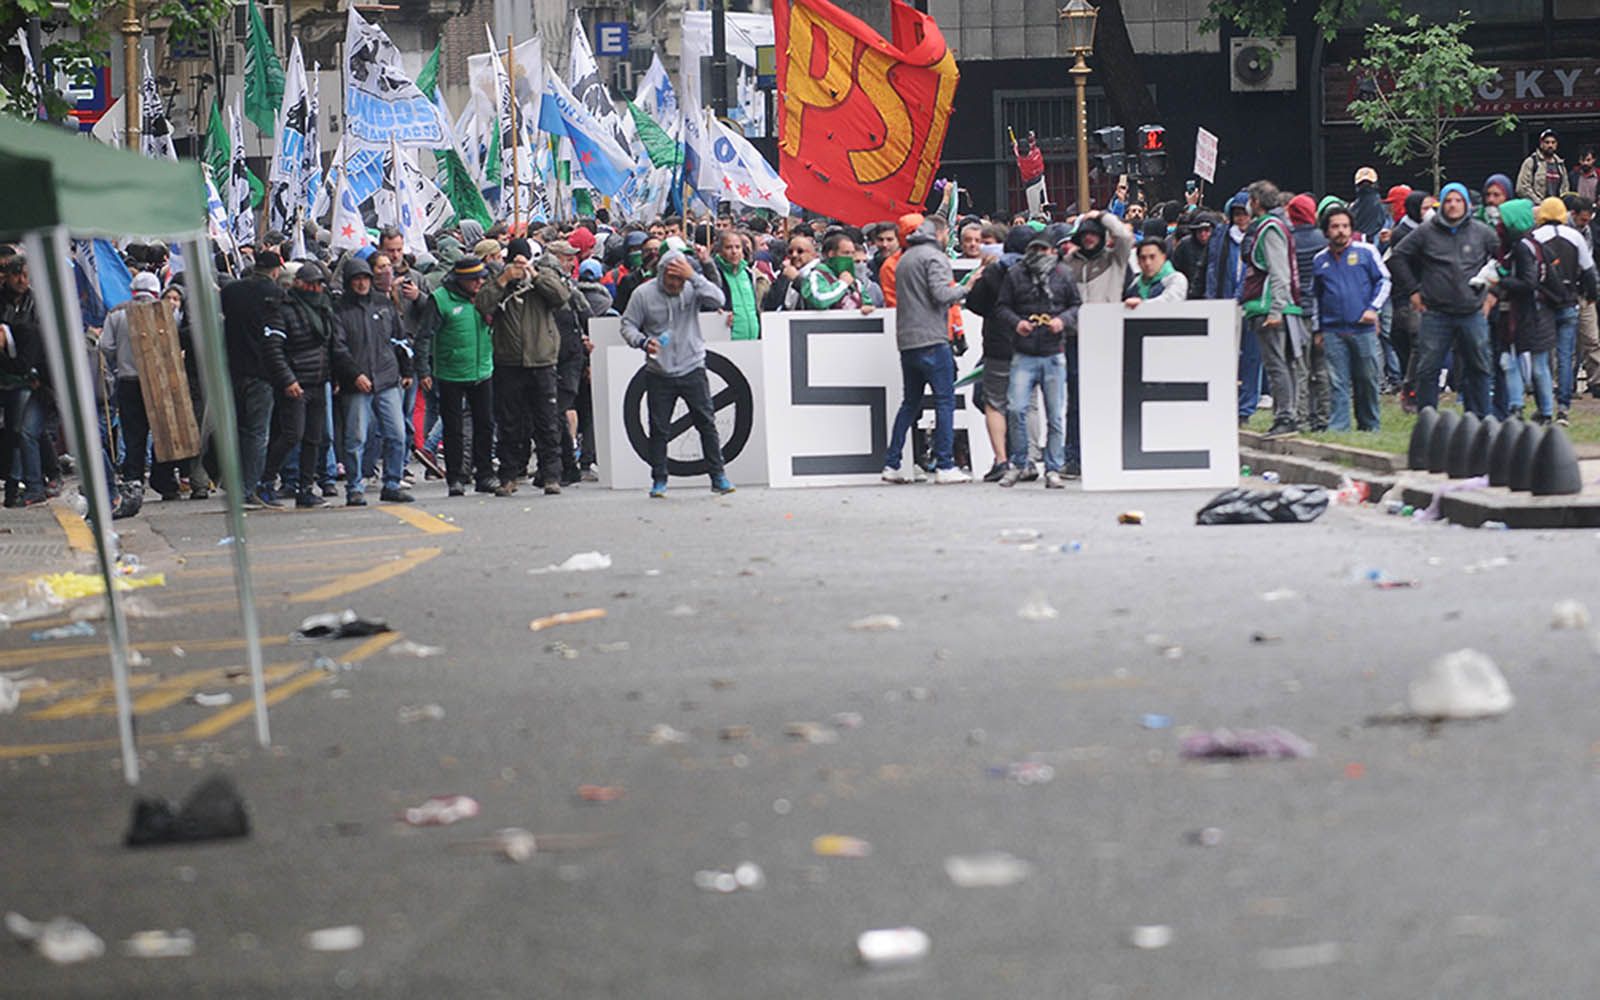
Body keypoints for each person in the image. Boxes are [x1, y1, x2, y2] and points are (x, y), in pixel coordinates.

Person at [618, 249, 733, 498]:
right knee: (659, 428)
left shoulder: (692, 287)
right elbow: (627, 324)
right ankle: (659, 479)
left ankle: (718, 475)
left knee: (706, 423)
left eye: (680, 280)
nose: (675, 284)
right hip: (659, 370)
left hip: (693, 365)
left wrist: (694, 276)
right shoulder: (643, 294)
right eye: (671, 279)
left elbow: (718, 300)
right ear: (661, 274)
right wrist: (641, 341)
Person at [881, 219, 979, 485]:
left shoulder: (903, 260)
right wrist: (967, 286)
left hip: (907, 340)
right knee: (944, 400)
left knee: (909, 403)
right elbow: (941, 295)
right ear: (938, 234)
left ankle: (892, 463)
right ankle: (945, 465)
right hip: (933, 339)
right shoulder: (934, 257)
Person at [1388, 183, 1498, 416]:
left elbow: (1504, 258)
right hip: (1436, 312)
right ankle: (1428, 418)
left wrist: (1494, 293)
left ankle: (1481, 417)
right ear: (1441, 205)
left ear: (1467, 204)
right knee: (1428, 368)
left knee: (1479, 366)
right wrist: (1413, 291)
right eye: (1448, 200)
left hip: (1472, 310)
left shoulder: (1481, 231)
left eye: (1458, 200)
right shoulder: (1426, 231)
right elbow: (1397, 257)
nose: (1453, 205)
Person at [475, 238, 569, 497]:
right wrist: (505, 279)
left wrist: (534, 276)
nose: (519, 265)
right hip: (509, 362)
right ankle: (508, 475)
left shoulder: (543, 278)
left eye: (522, 260)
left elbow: (562, 297)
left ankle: (551, 475)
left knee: (547, 422)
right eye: (515, 260)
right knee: (509, 424)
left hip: (541, 361)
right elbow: (482, 304)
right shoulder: (499, 281)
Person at [993, 233, 1077, 488]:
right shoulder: (1016, 275)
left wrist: (1063, 321)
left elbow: (1076, 305)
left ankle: (1052, 467)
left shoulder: (1063, 274)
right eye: (1035, 249)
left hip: (1053, 351)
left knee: (1055, 414)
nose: (1039, 254)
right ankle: (1020, 463)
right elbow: (1001, 307)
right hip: (1025, 351)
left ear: (1052, 250)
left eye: (1043, 249)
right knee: (1016, 409)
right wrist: (1017, 323)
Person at [330, 256, 413, 506]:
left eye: (365, 278)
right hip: (356, 384)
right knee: (356, 438)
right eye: (356, 279)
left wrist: (407, 369)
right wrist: (354, 375)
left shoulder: (383, 304)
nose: (361, 283)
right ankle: (355, 487)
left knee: (397, 434)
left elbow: (400, 339)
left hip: (387, 379)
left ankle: (392, 482)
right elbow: (338, 348)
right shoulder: (340, 310)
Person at [413, 256, 496, 496]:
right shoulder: (440, 299)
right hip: (451, 372)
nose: (480, 282)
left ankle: (485, 474)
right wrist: (423, 370)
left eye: (482, 278)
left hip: (482, 368)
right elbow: (424, 336)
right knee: (453, 427)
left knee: (485, 424)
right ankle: (456, 477)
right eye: (474, 279)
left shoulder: (485, 297)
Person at [99, 271, 184, 502]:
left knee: (134, 434)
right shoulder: (168, 313)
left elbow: (105, 346)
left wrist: (121, 360)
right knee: (163, 434)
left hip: (129, 382)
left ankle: (133, 482)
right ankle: (165, 482)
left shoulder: (117, 313)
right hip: (161, 381)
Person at [261, 260, 336, 508]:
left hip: (318, 379)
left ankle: (306, 487)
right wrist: (288, 379)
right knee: (292, 434)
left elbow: (330, 345)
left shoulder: (324, 310)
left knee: (314, 437)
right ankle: (266, 480)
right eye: (311, 285)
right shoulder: (283, 310)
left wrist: (333, 377)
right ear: (298, 284)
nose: (316, 290)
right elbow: (273, 350)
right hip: (295, 382)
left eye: (318, 285)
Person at [964, 225, 1035, 482]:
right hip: (1032, 344)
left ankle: (1003, 460)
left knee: (993, 402)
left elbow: (975, 303)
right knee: (1024, 404)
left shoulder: (995, 270)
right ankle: (1027, 459)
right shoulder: (1039, 269)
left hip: (998, 344)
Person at [1311, 206, 1390, 432]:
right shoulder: (1319, 261)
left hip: (1363, 328)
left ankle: (1370, 425)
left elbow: (1384, 281)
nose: (1341, 231)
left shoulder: (1367, 252)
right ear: (1326, 231)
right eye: (1335, 227)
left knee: (1367, 379)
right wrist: (1318, 329)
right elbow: (1315, 296)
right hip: (1332, 330)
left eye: (1345, 226)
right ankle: (1339, 427)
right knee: (1337, 381)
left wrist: (1373, 308)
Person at [1239, 180, 1306, 437]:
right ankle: (1287, 414)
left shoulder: (1269, 229)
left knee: (1277, 365)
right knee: (1284, 364)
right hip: (1278, 305)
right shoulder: (1278, 226)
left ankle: (1286, 416)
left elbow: (1280, 272)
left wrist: (1275, 310)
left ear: (1255, 202)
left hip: (1270, 306)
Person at [220, 249, 286, 508]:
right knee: (258, 433)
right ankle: (248, 488)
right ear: (275, 271)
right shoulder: (276, 295)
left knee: (238, 430)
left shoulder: (231, 292)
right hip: (262, 371)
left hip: (234, 368)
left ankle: (234, 484)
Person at [1527, 196, 1599, 424]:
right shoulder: (1575, 237)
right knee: (1566, 355)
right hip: (1570, 301)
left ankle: (1545, 406)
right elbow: (1589, 271)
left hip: (1543, 302)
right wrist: (1591, 297)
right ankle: (1564, 407)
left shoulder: (1535, 237)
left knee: (1543, 356)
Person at [0, 253, 47, 508]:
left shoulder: (35, 303)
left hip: (25, 378)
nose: (22, 280)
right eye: (17, 274)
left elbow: (35, 336)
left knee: (19, 433)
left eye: (26, 275)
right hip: (6, 374)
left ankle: (15, 486)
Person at [1286, 194, 1330, 432]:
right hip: (1321, 311)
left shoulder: (1288, 240)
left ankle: (1301, 418)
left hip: (1296, 311)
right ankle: (1323, 417)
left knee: (1300, 368)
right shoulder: (1323, 240)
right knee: (1322, 369)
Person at [700, 228, 760, 340]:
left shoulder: (749, 274)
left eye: (737, 247)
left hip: (753, 339)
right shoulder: (714, 274)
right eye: (728, 247)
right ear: (720, 250)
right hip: (728, 340)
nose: (734, 251)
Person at [1123, 237, 1189, 305]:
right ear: (1138, 261)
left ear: (1163, 257)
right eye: (1143, 258)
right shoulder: (1135, 284)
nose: (1147, 263)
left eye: (1152, 257)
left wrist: (1141, 305)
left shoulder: (1176, 279)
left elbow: (1170, 302)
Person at [1517, 128, 1571, 202]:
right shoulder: (1531, 162)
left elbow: (1565, 188)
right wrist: (1539, 203)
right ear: (1541, 144)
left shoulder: (1560, 165)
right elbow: (1522, 188)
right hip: (1537, 208)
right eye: (1547, 142)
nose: (1550, 145)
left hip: (1556, 208)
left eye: (1553, 142)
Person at [764, 235, 814, 311]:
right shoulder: (785, 274)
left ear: (812, 254)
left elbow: (817, 300)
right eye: (790, 252)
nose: (794, 255)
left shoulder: (820, 273)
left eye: (800, 251)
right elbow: (770, 304)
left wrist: (796, 279)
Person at [1350, 167, 1386, 243]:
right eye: (1362, 184)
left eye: (1369, 184)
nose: (1365, 187)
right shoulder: (1351, 208)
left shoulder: (1384, 209)